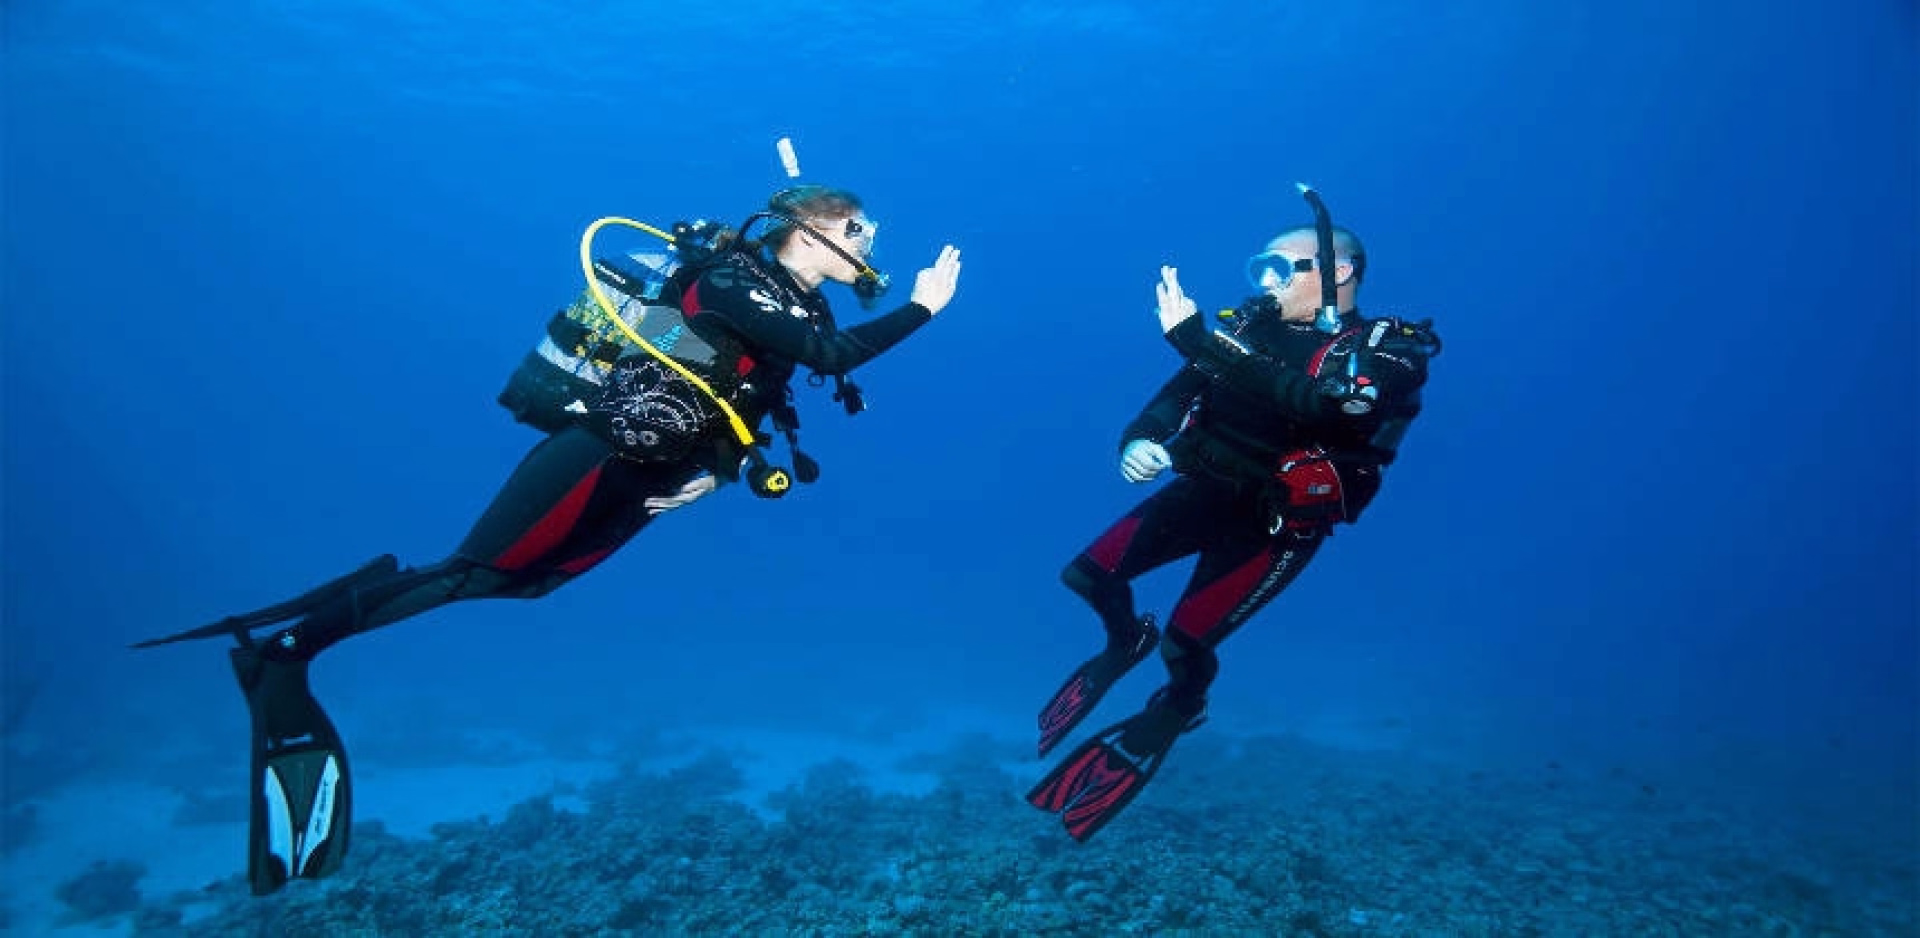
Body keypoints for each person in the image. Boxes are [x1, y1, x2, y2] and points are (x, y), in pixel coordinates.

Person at [132, 184, 963, 895]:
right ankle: (283, 651)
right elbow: (825, 351)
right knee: (471, 573)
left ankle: (358, 591)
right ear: (811, 227)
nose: (870, 245)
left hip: (652, 470)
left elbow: (740, 389)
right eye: (860, 230)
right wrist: (922, 306)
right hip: (597, 451)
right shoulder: (730, 279)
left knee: (527, 583)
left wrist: (718, 469)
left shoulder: (796, 300)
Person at [1026, 202, 1439, 842]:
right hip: (1205, 490)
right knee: (1085, 576)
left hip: (1276, 526)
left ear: (1341, 270)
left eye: (1281, 266)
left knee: (1186, 644)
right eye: (1260, 266)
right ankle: (1121, 643)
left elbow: (1329, 407)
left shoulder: (1388, 349)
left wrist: (1199, 339)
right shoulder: (1246, 327)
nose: (1265, 280)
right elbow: (1179, 393)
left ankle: (1182, 706)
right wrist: (1140, 440)